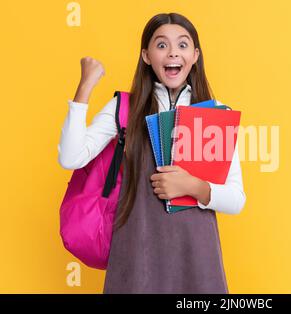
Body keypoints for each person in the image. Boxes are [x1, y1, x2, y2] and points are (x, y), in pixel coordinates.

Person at [57, 12, 246, 293]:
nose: (173, 53)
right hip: (136, 253)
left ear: (195, 55)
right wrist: (84, 88)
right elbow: (71, 157)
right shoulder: (124, 109)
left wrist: (192, 186)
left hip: (196, 257)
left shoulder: (215, 115)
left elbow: (236, 199)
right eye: (161, 45)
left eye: (182, 45)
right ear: (146, 56)